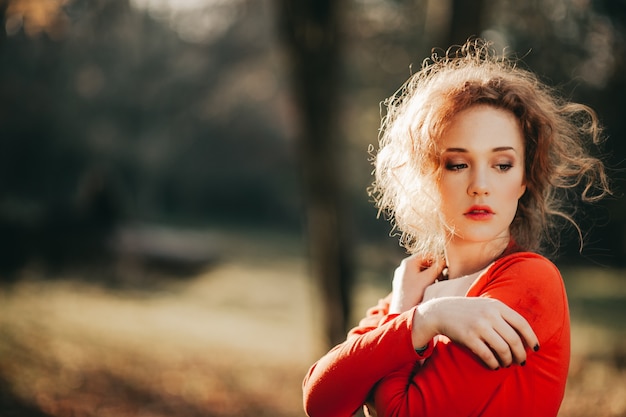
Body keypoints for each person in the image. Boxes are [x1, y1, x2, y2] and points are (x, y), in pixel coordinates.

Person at [302, 39, 611, 417]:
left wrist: (410, 325)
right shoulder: (416, 287)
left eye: (502, 165)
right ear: (429, 177)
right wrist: (418, 315)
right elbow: (320, 402)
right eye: (457, 164)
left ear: (524, 179)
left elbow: (402, 412)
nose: (480, 185)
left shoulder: (531, 283)